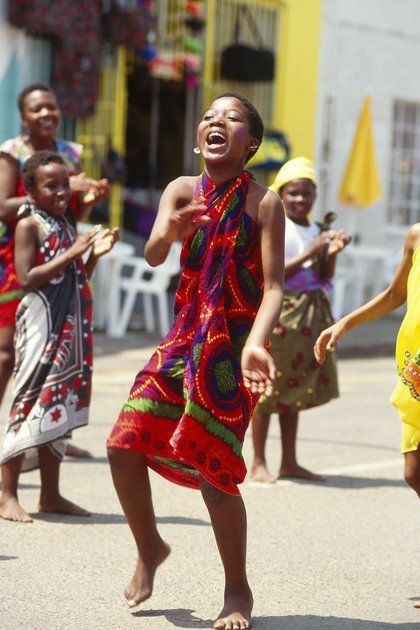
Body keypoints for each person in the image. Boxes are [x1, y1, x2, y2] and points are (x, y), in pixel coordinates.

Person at [106, 93, 284, 630]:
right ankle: (150, 546)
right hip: (185, 338)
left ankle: (237, 591)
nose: (216, 121)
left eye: (231, 117)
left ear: (249, 142)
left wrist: (256, 343)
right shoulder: (181, 190)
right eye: (210, 115)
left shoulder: (264, 202)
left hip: (233, 348)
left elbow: (274, 286)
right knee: (121, 444)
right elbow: (155, 253)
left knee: (215, 476)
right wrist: (171, 228)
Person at [0, 151, 118, 523]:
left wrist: (93, 256)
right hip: (40, 325)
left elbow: (75, 273)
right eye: (52, 185)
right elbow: (27, 278)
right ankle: (7, 495)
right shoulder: (28, 224)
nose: (63, 191)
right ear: (31, 190)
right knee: (28, 401)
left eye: (66, 184)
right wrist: (73, 252)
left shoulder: (65, 223)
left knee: (58, 403)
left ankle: (50, 495)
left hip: (69, 327)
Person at [0, 82, 109, 458]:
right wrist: (69, 186)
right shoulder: (11, 152)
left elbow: (69, 211)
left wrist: (87, 200)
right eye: (37, 108)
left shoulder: (68, 152)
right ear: (24, 116)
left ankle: (52, 437)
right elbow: (2, 206)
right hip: (15, 260)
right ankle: (15, 440)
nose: (46, 113)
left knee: (54, 365)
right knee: (9, 354)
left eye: (51, 106)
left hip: (60, 257)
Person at [250, 157, 351, 484]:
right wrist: (312, 250)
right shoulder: (277, 222)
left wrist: (331, 252)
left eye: (306, 194)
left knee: (293, 387)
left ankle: (290, 462)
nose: (300, 200)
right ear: (280, 193)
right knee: (268, 388)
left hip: (310, 315)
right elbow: (275, 272)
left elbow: (323, 275)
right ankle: (258, 462)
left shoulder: (316, 229)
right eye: (293, 193)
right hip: (280, 313)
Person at [315, 224, 420, 497]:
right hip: (414, 366)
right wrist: (346, 323)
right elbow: (395, 294)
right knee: (414, 472)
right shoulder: (416, 234)